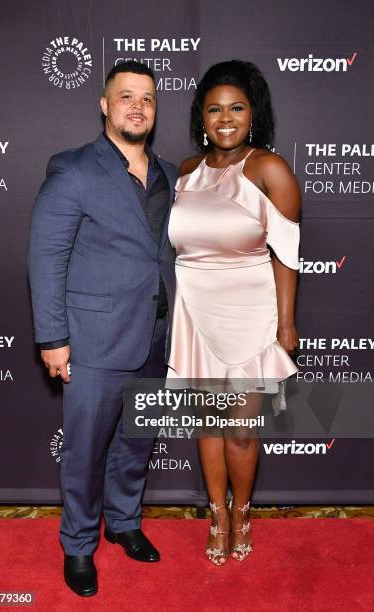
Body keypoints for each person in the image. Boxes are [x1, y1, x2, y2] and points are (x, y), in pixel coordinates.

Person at [28, 61, 177, 596]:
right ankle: (77, 546)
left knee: (135, 444)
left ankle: (124, 522)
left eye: (148, 99)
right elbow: (47, 257)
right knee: (86, 451)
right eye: (126, 96)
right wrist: (52, 338)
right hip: (93, 341)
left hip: (157, 338)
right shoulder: (74, 169)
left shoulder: (171, 176)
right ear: (104, 104)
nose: (138, 106)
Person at [167, 60, 300, 565]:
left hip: (251, 313)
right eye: (215, 108)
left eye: (237, 108)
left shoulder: (269, 168)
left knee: (242, 428)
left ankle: (243, 512)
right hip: (195, 313)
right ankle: (216, 515)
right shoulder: (186, 171)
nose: (226, 118)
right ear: (201, 117)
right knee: (208, 426)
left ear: (252, 115)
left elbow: (286, 253)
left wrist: (286, 324)